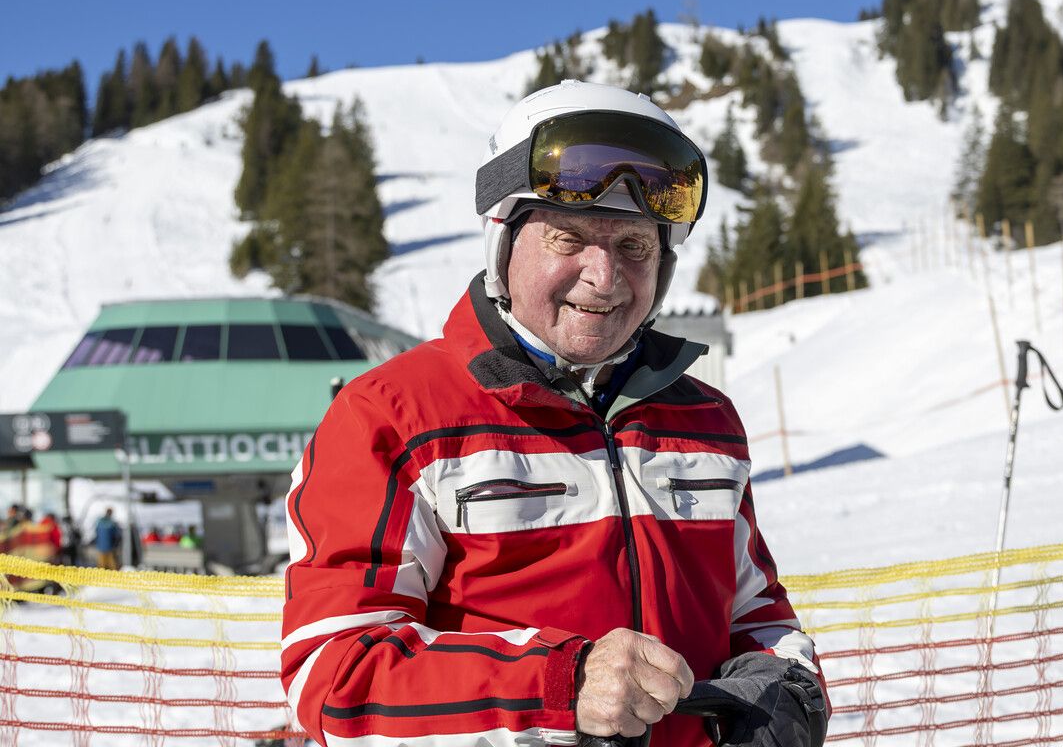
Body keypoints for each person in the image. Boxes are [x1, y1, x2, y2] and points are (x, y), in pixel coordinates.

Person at [281, 81, 828, 747]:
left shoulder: (704, 419)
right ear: (502, 243)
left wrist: (789, 685)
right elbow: (335, 672)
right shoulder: (393, 418)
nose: (604, 277)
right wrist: (560, 687)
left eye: (635, 246)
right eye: (569, 239)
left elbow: (756, 612)